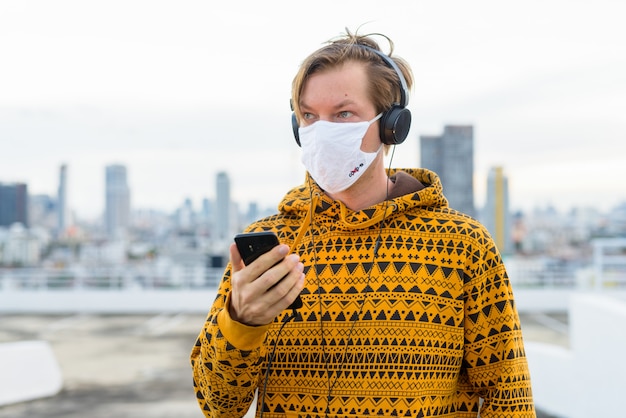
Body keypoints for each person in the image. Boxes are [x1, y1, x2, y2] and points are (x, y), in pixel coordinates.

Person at [190, 28, 536, 418]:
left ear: (392, 126)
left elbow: (510, 399)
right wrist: (242, 322)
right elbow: (218, 406)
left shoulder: (462, 245)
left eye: (343, 114)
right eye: (308, 116)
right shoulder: (269, 245)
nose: (320, 132)